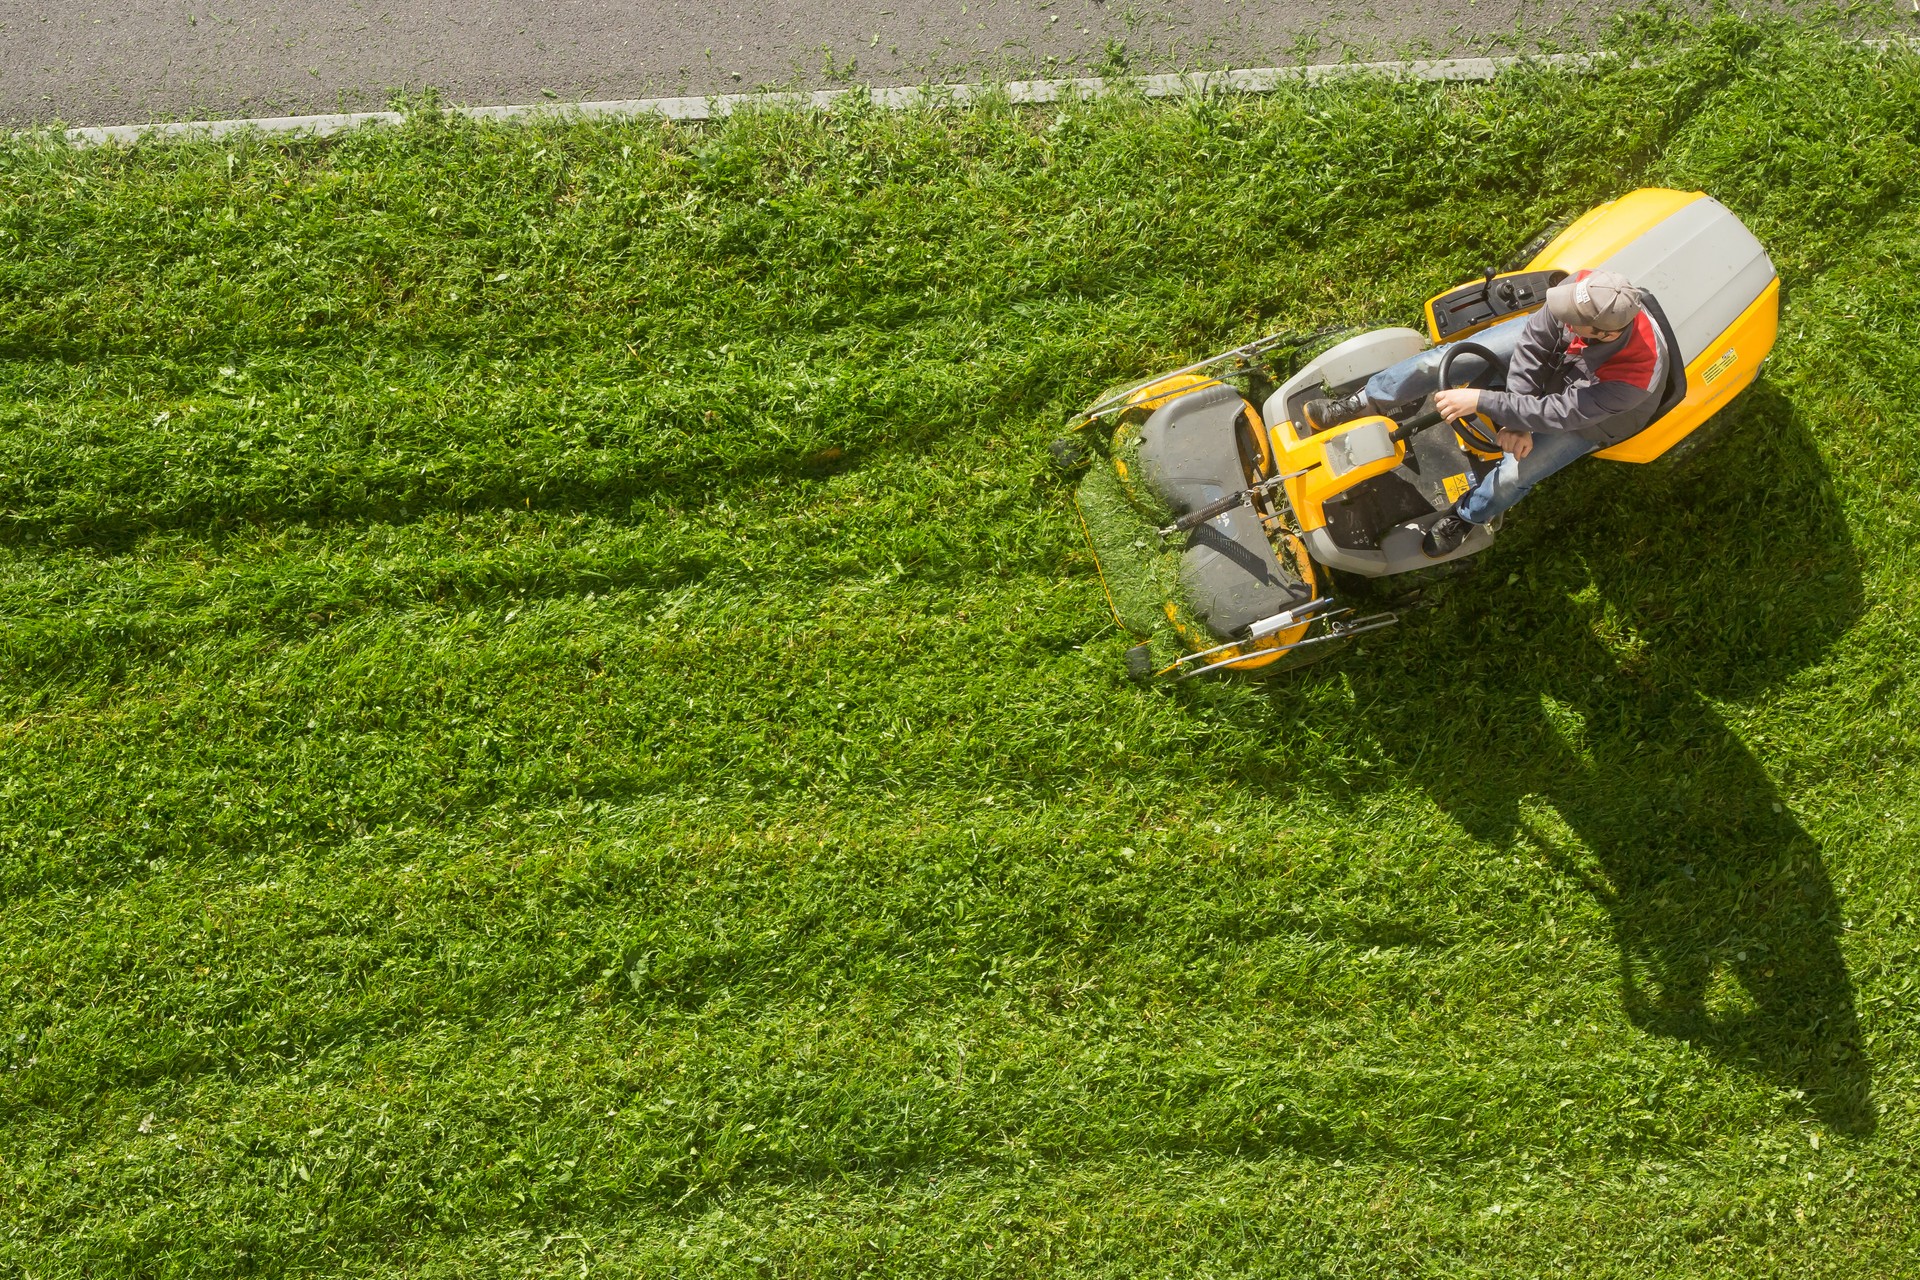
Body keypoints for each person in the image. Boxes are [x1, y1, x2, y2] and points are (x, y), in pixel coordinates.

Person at [1302, 269, 1669, 556]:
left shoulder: (1633, 377)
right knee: (1436, 362)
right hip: (1564, 381)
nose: (1562, 316)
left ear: (1604, 335)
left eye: (1571, 320)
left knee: (1514, 474)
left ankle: (1466, 516)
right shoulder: (1582, 292)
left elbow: (1560, 414)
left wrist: (1482, 401)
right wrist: (1514, 419)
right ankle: (1368, 400)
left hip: (1592, 419)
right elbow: (1535, 342)